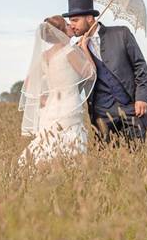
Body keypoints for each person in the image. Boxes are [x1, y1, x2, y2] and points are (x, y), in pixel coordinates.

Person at [64, 0, 147, 149]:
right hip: (101, 115)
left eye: (75, 20)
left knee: (136, 162)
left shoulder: (121, 34)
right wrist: (83, 51)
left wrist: (142, 98)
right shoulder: (75, 50)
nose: (71, 25)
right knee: (107, 164)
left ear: (90, 18)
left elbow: (140, 66)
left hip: (132, 109)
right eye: (70, 21)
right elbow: (77, 83)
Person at [18, 16, 96, 165]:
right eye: (67, 25)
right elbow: (90, 74)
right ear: (60, 32)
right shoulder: (69, 51)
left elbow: (28, 85)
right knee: (71, 146)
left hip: (50, 108)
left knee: (48, 144)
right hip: (69, 105)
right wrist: (84, 48)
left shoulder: (45, 56)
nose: (71, 27)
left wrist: (44, 100)